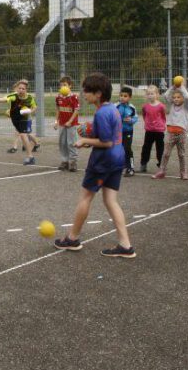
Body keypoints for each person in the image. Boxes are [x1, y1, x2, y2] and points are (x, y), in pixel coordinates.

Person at [54, 72, 135, 258]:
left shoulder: (102, 113)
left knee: (85, 197)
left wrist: (84, 140)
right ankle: (125, 245)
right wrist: (90, 131)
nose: (84, 94)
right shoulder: (112, 109)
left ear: (98, 93)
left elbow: (106, 142)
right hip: (117, 158)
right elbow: (111, 135)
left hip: (103, 160)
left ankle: (72, 238)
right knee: (110, 200)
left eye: (87, 91)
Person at [0, 80, 38, 165]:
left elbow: (34, 107)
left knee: (23, 135)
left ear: (26, 90)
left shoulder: (30, 98)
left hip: (24, 119)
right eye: (19, 88)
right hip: (15, 120)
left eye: (23, 89)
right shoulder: (13, 96)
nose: (21, 90)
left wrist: (29, 111)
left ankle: (30, 157)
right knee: (23, 135)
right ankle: (33, 146)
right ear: (17, 89)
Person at [153, 81, 188, 180]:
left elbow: (187, 97)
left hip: (181, 133)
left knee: (181, 154)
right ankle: (162, 171)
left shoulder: (186, 107)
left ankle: (183, 173)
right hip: (170, 133)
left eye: (178, 97)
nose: (176, 99)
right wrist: (173, 87)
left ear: (182, 98)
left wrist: (181, 86)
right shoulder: (172, 106)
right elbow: (165, 96)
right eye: (174, 98)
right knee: (166, 153)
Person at [53, 76, 79, 172]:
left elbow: (76, 110)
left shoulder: (73, 97)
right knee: (62, 142)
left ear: (70, 86)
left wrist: (70, 121)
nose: (62, 87)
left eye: (65, 85)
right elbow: (58, 109)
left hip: (71, 124)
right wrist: (56, 121)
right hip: (62, 124)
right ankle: (65, 161)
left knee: (71, 143)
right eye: (61, 85)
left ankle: (73, 162)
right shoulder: (58, 97)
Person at [139, 86, 166, 174]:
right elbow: (144, 115)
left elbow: (163, 117)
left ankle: (161, 166)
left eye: (152, 93)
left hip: (159, 131)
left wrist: (160, 125)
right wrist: (148, 124)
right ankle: (143, 164)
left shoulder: (161, 106)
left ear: (157, 94)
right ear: (146, 96)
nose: (150, 95)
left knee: (160, 149)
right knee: (146, 148)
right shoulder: (145, 106)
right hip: (149, 131)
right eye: (148, 94)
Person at [116, 86, 138, 177]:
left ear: (129, 97)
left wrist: (131, 120)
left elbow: (135, 118)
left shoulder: (132, 108)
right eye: (121, 95)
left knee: (127, 149)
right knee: (118, 149)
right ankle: (121, 165)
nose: (122, 97)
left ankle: (131, 168)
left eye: (125, 96)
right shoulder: (116, 106)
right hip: (118, 132)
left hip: (128, 131)